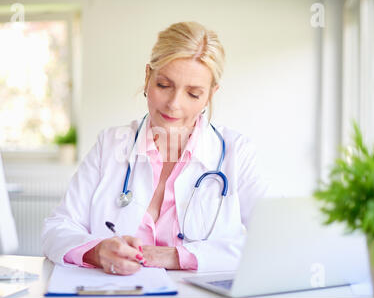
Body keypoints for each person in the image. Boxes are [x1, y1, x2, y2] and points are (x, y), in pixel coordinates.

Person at [42, 21, 268, 275]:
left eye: (193, 94)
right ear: (148, 76)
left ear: (210, 95)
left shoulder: (237, 152)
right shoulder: (110, 144)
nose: (174, 104)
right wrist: (96, 251)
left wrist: (177, 256)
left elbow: (272, 240)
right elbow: (57, 228)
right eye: (164, 85)